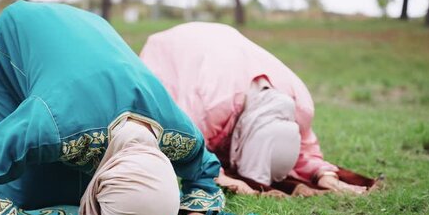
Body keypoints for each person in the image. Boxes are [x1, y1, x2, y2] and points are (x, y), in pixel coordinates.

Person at [0, 2, 224, 215]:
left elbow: (203, 167)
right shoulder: (50, 125)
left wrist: (197, 204)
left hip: (93, 28)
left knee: (60, 180)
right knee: (24, 194)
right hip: (14, 36)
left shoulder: (179, 135)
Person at [140, 22, 372, 197]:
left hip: (226, 46)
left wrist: (323, 174)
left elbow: (305, 150)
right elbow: (188, 145)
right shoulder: (209, 107)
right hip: (176, 47)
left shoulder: (299, 105)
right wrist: (221, 177)